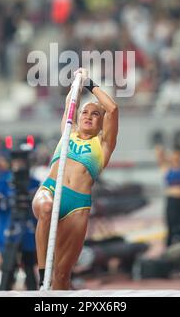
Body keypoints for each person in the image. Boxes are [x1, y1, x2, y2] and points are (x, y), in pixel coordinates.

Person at [32, 68, 119, 290]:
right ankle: (42, 276)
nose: (88, 116)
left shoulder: (103, 145)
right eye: (84, 113)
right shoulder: (66, 132)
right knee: (46, 208)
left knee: (62, 276)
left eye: (95, 114)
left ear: (101, 124)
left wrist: (89, 83)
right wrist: (75, 85)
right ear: (77, 117)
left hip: (77, 206)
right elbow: (71, 101)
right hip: (51, 189)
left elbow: (113, 108)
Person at [0, 146, 40, 290]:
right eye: (16, 161)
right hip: (8, 233)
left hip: (28, 232)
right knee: (8, 270)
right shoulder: (1, 183)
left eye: (22, 161)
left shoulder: (35, 183)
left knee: (29, 269)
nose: (19, 165)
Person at [155, 145, 180, 247]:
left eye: (178, 156)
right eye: (175, 156)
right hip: (172, 199)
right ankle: (168, 249)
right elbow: (158, 152)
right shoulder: (167, 167)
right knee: (171, 226)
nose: (177, 158)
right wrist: (166, 155)